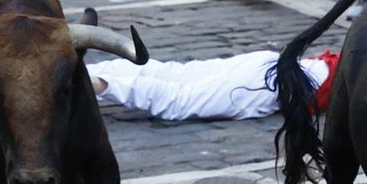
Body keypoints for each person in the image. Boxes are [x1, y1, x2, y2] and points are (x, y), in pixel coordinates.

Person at [89, 49, 336, 120]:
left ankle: (83, 75)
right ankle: (95, 84)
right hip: (267, 86)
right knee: (180, 99)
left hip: (271, 65)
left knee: (174, 74)